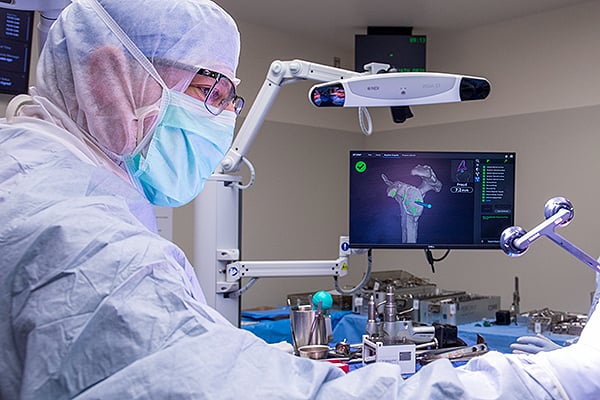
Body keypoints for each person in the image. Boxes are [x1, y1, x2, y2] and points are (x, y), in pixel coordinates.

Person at [1, 0, 599, 398]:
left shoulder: (37, 176)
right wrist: (561, 378)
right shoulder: (74, 239)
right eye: (211, 90)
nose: (223, 117)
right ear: (110, 79)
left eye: (232, 98)